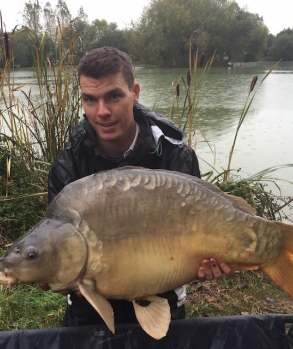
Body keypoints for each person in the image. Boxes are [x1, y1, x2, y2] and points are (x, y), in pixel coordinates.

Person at [41, 46, 234, 327]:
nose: (102, 111)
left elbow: (196, 238)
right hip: (88, 306)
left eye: (114, 96)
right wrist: (53, 272)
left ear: (135, 93)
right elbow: (55, 245)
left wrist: (205, 263)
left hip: (163, 295)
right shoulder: (67, 167)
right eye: (90, 99)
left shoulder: (174, 155)